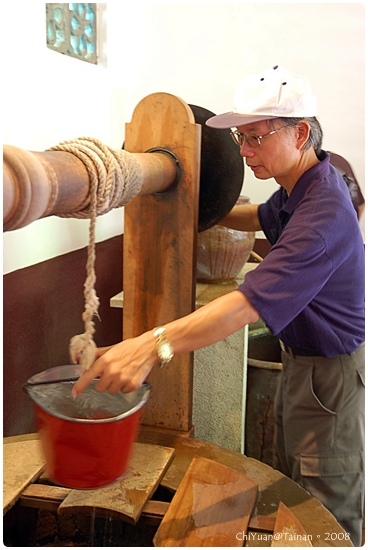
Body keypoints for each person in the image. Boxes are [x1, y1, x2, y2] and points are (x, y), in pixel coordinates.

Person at [73, 65, 365, 546]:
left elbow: (244, 305)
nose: (246, 152)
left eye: (255, 138)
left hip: (330, 377)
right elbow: (254, 215)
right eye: (241, 139)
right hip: (303, 364)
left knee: (327, 514)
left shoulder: (324, 210)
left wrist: (151, 345)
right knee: (296, 481)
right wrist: (193, 196)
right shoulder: (299, 188)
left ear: (301, 133)